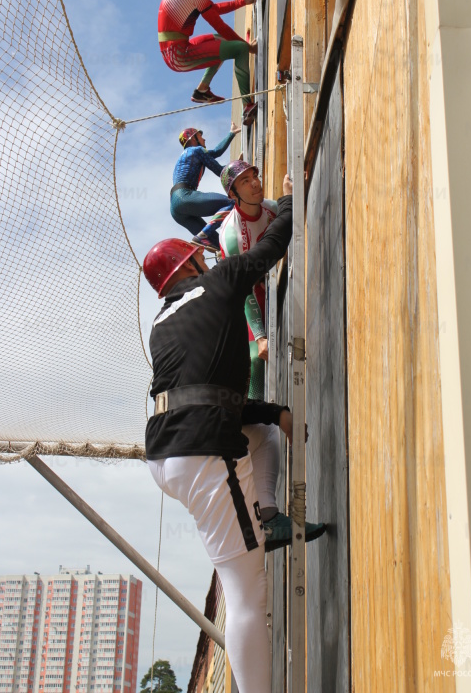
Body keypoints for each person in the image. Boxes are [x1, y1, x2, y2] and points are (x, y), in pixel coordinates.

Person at [142, 177, 325, 693]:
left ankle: (264, 516)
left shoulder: (162, 324)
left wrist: (272, 411)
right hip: (201, 455)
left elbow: (204, 395)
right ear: (193, 265)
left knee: (263, 435)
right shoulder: (216, 282)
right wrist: (287, 198)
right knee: (248, 592)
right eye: (200, 257)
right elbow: (273, 243)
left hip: (170, 453)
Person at [158, 0, 258, 125]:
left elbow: (213, 9)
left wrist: (245, 1)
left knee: (221, 41)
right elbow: (220, 25)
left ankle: (202, 90)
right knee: (239, 49)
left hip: (175, 51)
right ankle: (247, 106)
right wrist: (248, 47)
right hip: (178, 55)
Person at [219, 160, 276, 399]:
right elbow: (243, 290)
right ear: (233, 194)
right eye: (245, 181)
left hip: (264, 283)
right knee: (255, 356)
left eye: (255, 176)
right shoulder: (231, 233)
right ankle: (257, 412)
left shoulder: (273, 209)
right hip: (241, 296)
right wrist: (261, 337)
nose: (255, 183)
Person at [170, 123, 238, 252]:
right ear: (193, 139)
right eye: (201, 136)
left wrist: (231, 133)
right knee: (231, 203)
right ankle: (203, 235)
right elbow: (219, 170)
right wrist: (237, 168)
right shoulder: (196, 150)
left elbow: (216, 152)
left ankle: (222, 257)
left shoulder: (189, 153)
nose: (204, 139)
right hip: (184, 196)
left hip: (175, 208)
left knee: (219, 245)